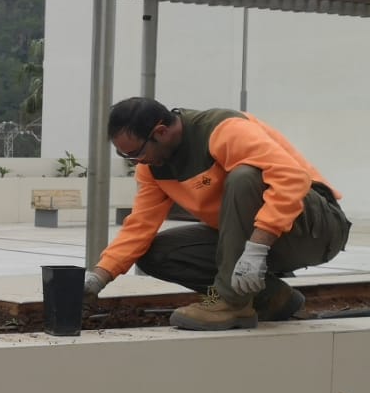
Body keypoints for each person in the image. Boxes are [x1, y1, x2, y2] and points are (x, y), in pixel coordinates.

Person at [86, 97, 351, 331]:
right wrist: (99, 276)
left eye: (135, 153)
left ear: (161, 131)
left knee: (245, 176)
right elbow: (140, 225)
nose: (136, 161)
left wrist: (258, 245)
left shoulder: (224, 130)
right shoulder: (153, 168)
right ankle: (273, 298)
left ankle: (229, 303)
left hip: (316, 228)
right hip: (261, 239)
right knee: (157, 254)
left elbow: (292, 179)